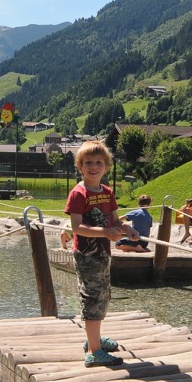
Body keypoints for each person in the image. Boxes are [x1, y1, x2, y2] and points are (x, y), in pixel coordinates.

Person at [64, 140, 137, 367]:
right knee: (92, 298)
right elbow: (77, 227)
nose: (93, 167)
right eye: (88, 163)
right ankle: (94, 352)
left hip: (103, 254)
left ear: (106, 166)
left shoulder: (107, 192)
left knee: (103, 297)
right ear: (80, 166)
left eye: (98, 162)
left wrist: (127, 229)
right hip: (87, 255)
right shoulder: (78, 193)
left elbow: (115, 220)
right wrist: (105, 232)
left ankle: (93, 339)